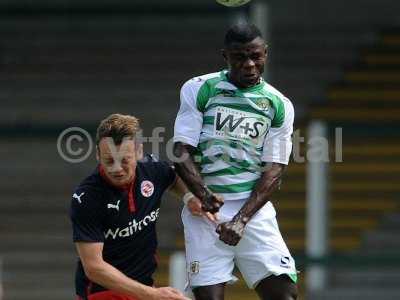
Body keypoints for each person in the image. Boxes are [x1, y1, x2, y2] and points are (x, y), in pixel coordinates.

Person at [173, 22, 298, 300]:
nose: (249, 64)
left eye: (256, 55)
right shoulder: (200, 88)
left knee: (285, 295)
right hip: (206, 214)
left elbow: (274, 171)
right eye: (240, 57)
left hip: (253, 211)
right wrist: (203, 195)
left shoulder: (278, 104)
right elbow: (181, 151)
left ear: (266, 53)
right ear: (225, 56)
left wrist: (241, 219)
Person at [69, 113, 214, 300]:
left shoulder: (151, 170)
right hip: (103, 292)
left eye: (124, 160)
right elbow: (94, 268)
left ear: (138, 152)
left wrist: (189, 197)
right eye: (109, 161)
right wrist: (152, 294)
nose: (117, 169)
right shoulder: (87, 198)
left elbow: (173, 177)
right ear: (98, 155)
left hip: (143, 287)